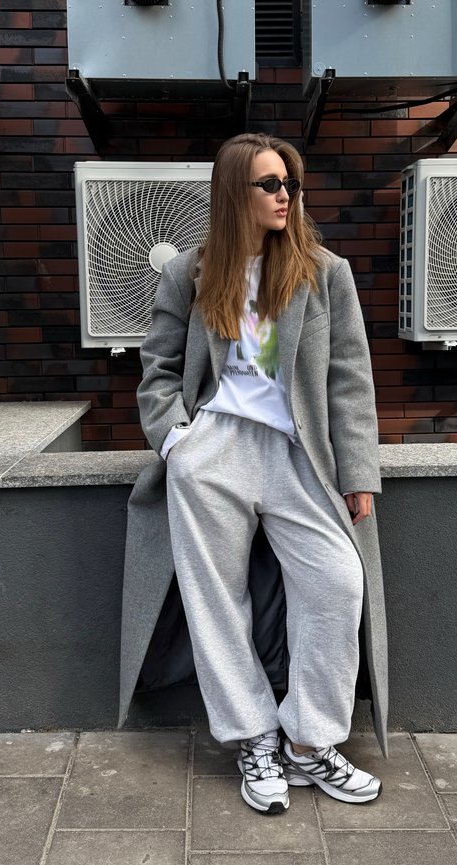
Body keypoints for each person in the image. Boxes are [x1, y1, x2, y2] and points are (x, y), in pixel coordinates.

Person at [121, 132, 388, 815]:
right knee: (217, 598)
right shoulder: (189, 271)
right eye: (270, 184)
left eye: (291, 184)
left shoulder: (324, 271)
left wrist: (358, 471)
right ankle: (253, 737)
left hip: (300, 454)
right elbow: (157, 371)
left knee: (336, 581)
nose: (285, 196)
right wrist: (177, 442)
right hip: (213, 450)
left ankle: (310, 741)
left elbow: (350, 381)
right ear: (233, 193)